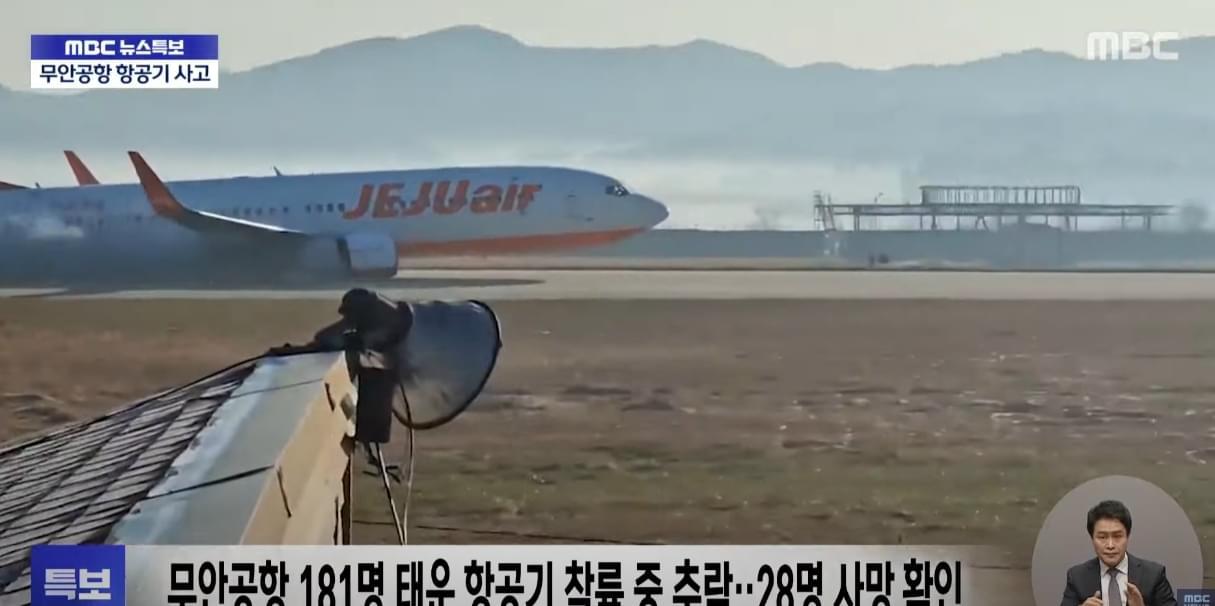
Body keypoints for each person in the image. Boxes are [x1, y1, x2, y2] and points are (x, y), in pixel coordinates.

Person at [1059, 500, 1177, 606]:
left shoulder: (1153, 575)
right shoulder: (1077, 577)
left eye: (1117, 536)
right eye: (1102, 537)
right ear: (1092, 538)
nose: (1110, 545)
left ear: (1127, 536)